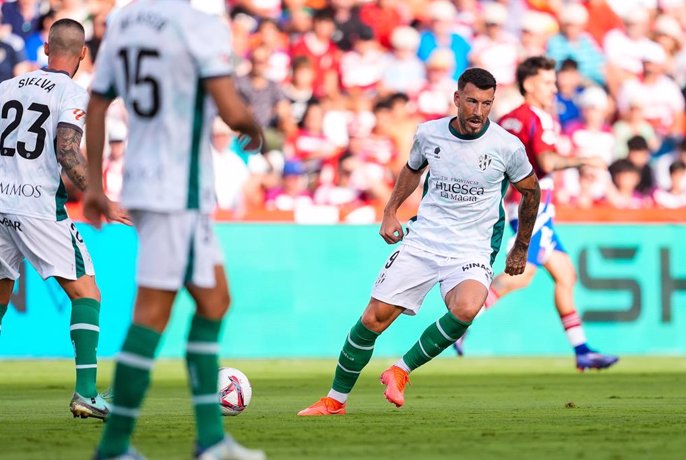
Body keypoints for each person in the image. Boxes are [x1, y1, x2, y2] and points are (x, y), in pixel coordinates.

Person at [298, 67, 541, 416]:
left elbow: (531, 192)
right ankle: (335, 400)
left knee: (468, 307)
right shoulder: (430, 134)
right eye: (471, 101)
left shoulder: (507, 146)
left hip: (471, 248)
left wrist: (520, 247)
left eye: (486, 103)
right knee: (373, 320)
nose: (478, 111)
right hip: (424, 240)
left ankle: (401, 369)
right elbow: (412, 169)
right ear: (457, 98)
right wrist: (390, 211)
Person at [83, 3, 265, 460]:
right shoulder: (199, 24)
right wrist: (252, 125)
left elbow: (98, 102)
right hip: (176, 190)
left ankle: (210, 441)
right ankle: (114, 446)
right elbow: (228, 106)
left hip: (149, 183)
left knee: (214, 300)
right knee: (152, 314)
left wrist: (94, 182)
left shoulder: (123, 21)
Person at [453, 56, 619, 371]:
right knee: (522, 276)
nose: (553, 88)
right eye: (547, 82)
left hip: (521, 202)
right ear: (529, 84)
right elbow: (547, 163)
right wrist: (584, 160)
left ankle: (582, 351)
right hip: (534, 205)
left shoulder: (509, 117)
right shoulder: (538, 118)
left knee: (566, 275)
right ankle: (459, 322)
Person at [0, 18, 126, 420]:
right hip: (37, 206)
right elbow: (67, 148)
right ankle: (86, 393)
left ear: (46, 48)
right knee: (87, 294)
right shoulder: (72, 92)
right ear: (83, 53)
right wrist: (98, 196)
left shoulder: (4, 89)